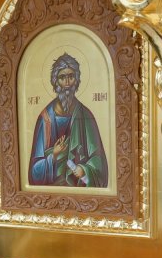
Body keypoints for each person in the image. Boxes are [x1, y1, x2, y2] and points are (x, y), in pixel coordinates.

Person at [28, 53, 109, 188]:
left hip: (79, 191)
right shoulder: (45, 119)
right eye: (62, 77)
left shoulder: (86, 116)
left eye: (71, 76)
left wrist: (85, 169)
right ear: (55, 81)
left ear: (76, 80)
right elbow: (34, 172)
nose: (67, 83)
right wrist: (53, 155)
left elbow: (98, 160)